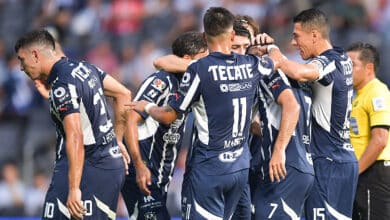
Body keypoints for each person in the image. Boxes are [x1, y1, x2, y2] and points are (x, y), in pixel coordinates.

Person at [128, 7, 281, 219]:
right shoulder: (251, 64)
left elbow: (169, 115)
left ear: (203, 35)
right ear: (232, 35)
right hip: (239, 168)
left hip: (209, 169)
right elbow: (276, 59)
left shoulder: (199, 69)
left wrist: (146, 107)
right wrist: (271, 45)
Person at [15, 29, 131, 220]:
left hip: (93, 167)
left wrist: (75, 188)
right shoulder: (85, 68)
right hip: (96, 163)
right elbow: (123, 94)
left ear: (35, 55)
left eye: (22, 59)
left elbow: (75, 135)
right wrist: (117, 140)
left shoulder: (62, 84)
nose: (21, 67)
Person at [267, 8, 358, 219]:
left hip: (328, 160)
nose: (293, 43)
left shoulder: (330, 62)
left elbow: (300, 72)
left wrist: (273, 52)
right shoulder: (342, 58)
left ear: (315, 35)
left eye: (296, 36)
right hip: (343, 158)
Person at [121, 31, 208, 220]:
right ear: (187, 59)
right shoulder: (162, 81)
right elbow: (131, 121)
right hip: (143, 172)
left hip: (160, 177)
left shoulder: (190, 87)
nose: (208, 63)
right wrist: (140, 166)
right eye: (204, 57)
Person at [346, 42, 390, 220]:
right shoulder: (359, 95)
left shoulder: (376, 92)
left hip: (373, 172)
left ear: (369, 68)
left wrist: (354, 172)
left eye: (352, 65)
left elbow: (380, 139)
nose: (347, 70)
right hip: (365, 171)